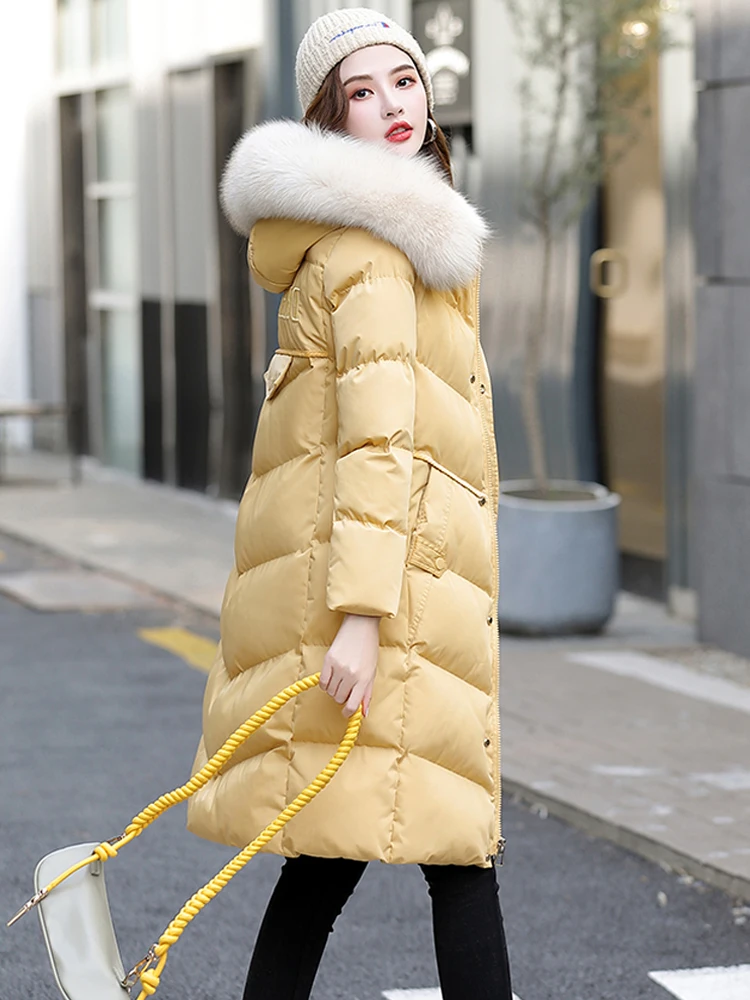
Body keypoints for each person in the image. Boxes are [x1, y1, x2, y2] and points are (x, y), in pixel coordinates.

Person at [185, 8, 512, 999]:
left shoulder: (390, 243)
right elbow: (376, 447)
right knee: (453, 852)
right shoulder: (374, 255)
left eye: (403, 81)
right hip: (392, 598)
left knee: (333, 853)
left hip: (398, 586)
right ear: (332, 121)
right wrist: (363, 618)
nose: (393, 105)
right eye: (361, 93)